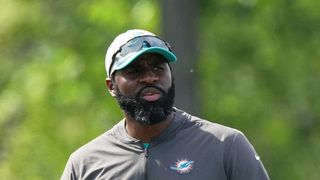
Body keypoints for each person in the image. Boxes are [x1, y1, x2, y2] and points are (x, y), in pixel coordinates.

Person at [61, 29, 269, 180]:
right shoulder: (84, 165)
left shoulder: (226, 145)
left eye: (158, 69)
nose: (150, 78)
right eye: (134, 72)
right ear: (111, 86)